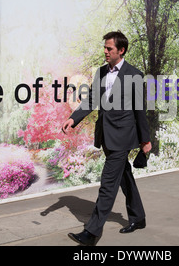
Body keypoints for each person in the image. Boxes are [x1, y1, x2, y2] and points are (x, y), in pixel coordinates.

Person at [62, 31, 151, 246]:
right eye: (105, 47)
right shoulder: (101, 72)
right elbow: (91, 99)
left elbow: (140, 110)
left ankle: (92, 233)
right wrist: (74, 119)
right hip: (106, 135)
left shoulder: (135, 75)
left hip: (123, 137)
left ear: (121, 50)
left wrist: (145, 140)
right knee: (124, 177)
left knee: (108, 185)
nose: (105, 51)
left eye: (109, 48)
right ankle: (138, 218)